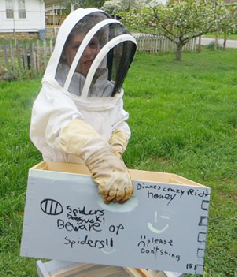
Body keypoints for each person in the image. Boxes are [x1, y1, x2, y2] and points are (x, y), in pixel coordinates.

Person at [30, 8, 137, 203]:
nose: (88, 51)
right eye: (78, 46)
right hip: (62, 175)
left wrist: (115, 149)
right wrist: (101, 158)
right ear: (65, 52)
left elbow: (118, 121)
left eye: (93, 44)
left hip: (101, 180)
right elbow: (64, 125)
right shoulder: (54, 90)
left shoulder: (107, 87)